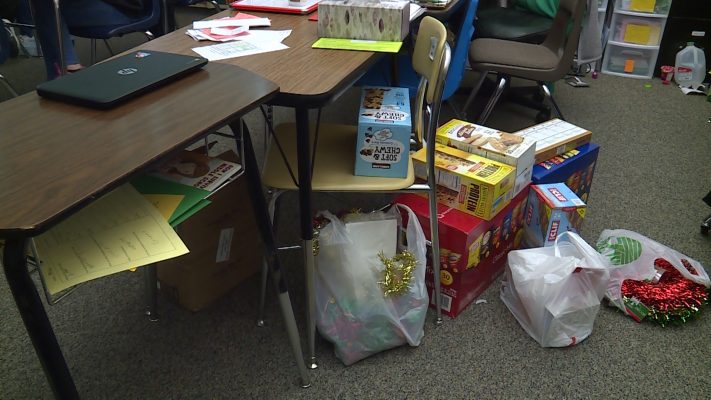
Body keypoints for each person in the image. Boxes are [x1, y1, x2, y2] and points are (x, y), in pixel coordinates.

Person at [30, 0, 155, 80]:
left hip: (124, 9)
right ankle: (67, 71)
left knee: (45, 6)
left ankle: (67, 72)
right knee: (46, 7)